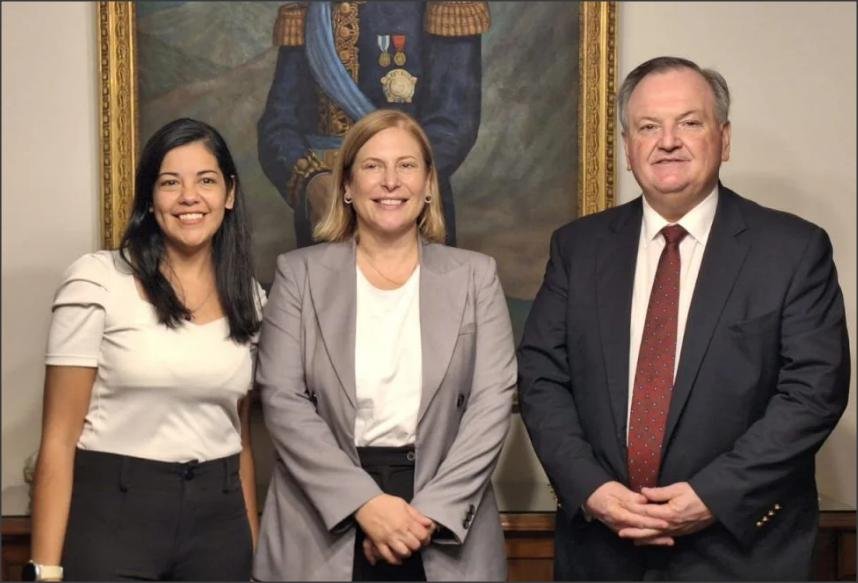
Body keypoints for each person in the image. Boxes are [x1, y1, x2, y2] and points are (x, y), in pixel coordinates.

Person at [517, 56, 850, 580]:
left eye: (689, 123)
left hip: (741, 552)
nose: (667, 141)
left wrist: (712, 495)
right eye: (648, 127)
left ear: (725, 138)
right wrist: (592, 489)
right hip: (601, 551)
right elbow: (541, 378)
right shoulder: (578, 249)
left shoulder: (792, 249)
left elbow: (813, 391)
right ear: (628, 148)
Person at [253, 109, 515, 581]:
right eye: (373, 166)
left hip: (444, 521)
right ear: (347, 186)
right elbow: (281, 400)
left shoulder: (477, 276)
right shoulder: (298, 274)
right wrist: (365, 504)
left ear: (429, 183)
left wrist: (425, 517)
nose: (391, 181)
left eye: (407, 165)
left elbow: (491, 405)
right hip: (321, 520)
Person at [27, 118, 265, 581]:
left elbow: (241, 441)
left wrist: (251, 553)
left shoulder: (251, 298)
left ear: (229, 195)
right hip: (115, 518)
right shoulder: (96, 280)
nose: (189, 197)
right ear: (150, 199)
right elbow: (57, 440)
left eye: (207, 181)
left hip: (219, 527)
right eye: (170, 182)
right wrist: (46, 570)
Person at [257, 1, 489, 247]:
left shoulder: (443, 5)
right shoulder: (314, 8)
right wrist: (313, 183)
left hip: (409, 211)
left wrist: (387, 184)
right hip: (327, 210)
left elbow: (452, 126)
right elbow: (278, 125)